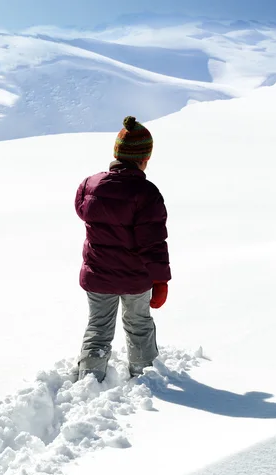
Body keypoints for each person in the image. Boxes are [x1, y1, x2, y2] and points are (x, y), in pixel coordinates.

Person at [74, 116, 171, 381]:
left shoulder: (90, 185)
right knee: (139, 324)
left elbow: (83, 211)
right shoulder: (147, 193)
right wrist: (160, 279)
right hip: (135, 277)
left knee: (99, 327)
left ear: (117, 153)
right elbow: (153, 242)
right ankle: (144, 377)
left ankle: (89, 379)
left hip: (98, 275)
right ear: (144, 158)